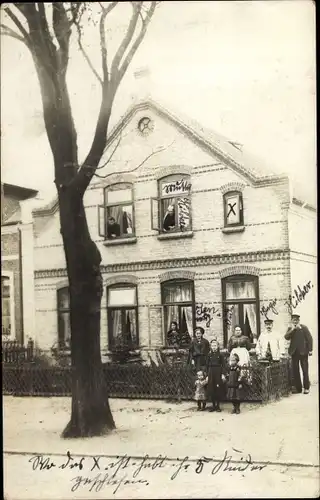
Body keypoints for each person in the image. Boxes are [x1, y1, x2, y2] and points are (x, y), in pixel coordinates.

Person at [284, 314, 313, 394]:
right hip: (294, 353)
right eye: (294, 320)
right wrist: (293, 329)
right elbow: (286, 337)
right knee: (295, 371)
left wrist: (310, 350)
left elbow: (309, 338)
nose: (295, 321)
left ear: (299, 320)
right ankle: (298, 388)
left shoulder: (303, 328)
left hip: (303, 352)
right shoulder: (291, 328)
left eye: (296, 320)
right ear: (292, 321)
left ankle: (306, 388)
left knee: (305, 370)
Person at [206, 338, 226, 412]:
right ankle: (213, 405)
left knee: (218, 388)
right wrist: (207, 375)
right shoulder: (209, 355)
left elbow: (223, 365)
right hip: (211, 372)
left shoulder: (220, 355)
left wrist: (223, 374)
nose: (214, 347)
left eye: (215, 345)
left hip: (218, 372)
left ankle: (218, 406)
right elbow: (207, 366)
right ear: (211, 347)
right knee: (212, 388)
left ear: (218, 346)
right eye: (212, 346)